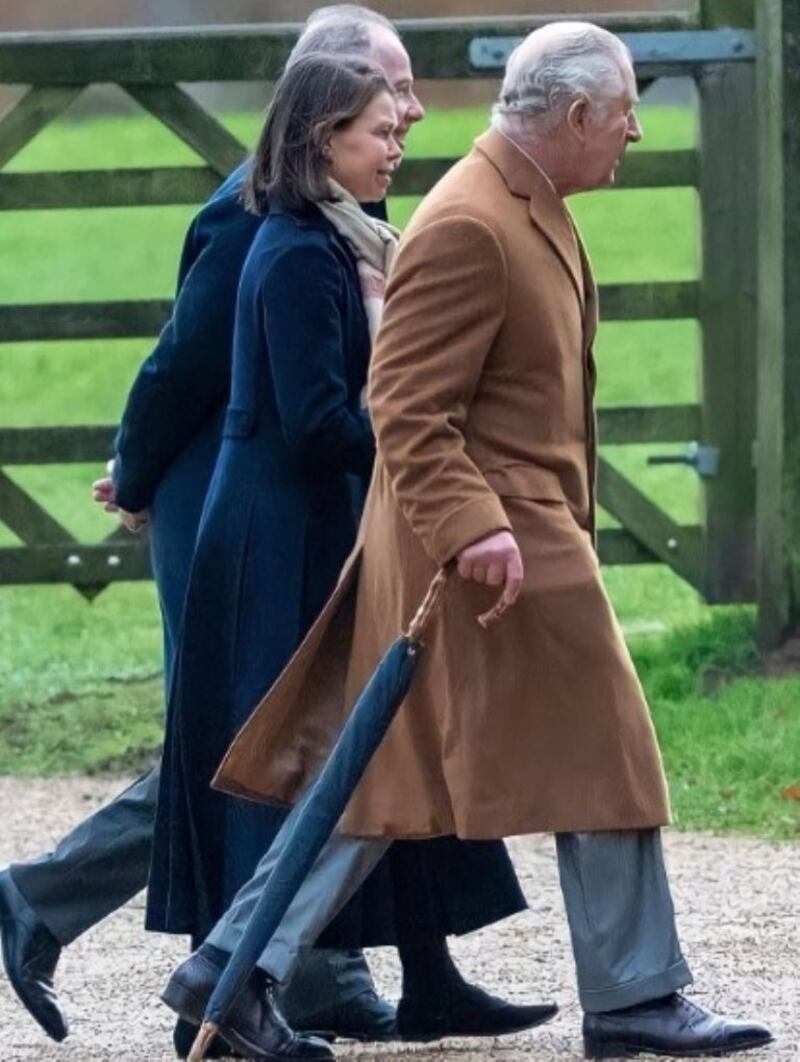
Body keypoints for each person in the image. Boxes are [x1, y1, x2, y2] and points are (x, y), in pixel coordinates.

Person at [183, 21, 774, 1061]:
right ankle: (635, 996)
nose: (635, 131)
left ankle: (229, 967)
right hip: (486, 555)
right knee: (608, 748)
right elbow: (404, 406)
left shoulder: (522, 203)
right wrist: (473, 528)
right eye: (624, 112)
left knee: (381, 782)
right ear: (576, 115)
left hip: (505, 545)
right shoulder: (471, 221)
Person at [0, 6, 422, 1054]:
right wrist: (135, 475)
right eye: (392, 90)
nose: (411, 110)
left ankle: (312, 969)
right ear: (324, 103)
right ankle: (47, 899)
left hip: (295, 490)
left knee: (295, 728)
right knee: (244, 743)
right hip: (223, 499)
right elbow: (183, 361)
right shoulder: (254, 216)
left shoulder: (349, 206)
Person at [160, 50, 554, 1062]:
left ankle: (426, 975)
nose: (396, 145)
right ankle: (224, 1004)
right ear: (319, 139)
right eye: (379, 130)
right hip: (275, 542)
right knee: (311, 762)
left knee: (390, 736)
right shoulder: (296, 253)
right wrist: (430, 444)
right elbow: (314, 424)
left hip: (318, 523)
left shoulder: (341, 240)